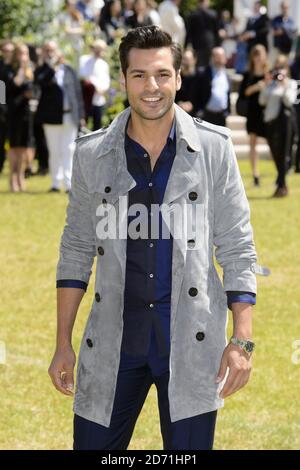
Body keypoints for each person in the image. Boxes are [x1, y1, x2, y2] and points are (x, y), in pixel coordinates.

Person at [49, 26, 259, 451]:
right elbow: (75, 250)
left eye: (163, 74)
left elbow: (237, 247)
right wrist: (62, 344)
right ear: (123, 79)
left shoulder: (214, 149)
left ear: (179, 78)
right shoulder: (92, 154)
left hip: (191, 341)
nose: (152, 87)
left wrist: (241, 341)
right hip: (113, 340)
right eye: (140, 75)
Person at [34, 41, 85, 193]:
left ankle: (69, 184)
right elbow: (41, 84)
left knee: (69, 149)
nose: (50, 53)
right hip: (51, 118)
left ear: (58, 51)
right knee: (54, 150)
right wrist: (51, 66)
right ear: (43, 53)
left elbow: (77, 93)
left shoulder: (68, 69)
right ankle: (56, 183)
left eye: (52, 50)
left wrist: (81, 115)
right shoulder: (41, 70)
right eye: (47, 50)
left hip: (70, 116)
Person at [259, 55, 298, 197]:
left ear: (286, 69)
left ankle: (281, 185)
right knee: (275, 153)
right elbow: (262, 101)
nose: (279, 71)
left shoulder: (291, 84)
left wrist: (284, 85)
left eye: (282, 67)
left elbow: (289, 101)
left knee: (283, 153)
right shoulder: (270, 84)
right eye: (277, 67)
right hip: (271, 122)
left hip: (285, 122)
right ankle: (281, 182)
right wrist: (267, 84)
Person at [5, 43, 36, 192]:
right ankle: (12, 177)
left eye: (25, 53)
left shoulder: (30, 70)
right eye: (21, 53)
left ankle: (20, 176)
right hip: (13, 112)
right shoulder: (9, 69)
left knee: (24, 147)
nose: (24, 56)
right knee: (14, 146)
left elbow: (32, 88)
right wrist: (21, 70)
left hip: (26, 112)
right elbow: (14, 84)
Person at [238, 44, 269, 187]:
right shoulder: (248, 75)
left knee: (273, 143)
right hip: (253, 111)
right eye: (255, 53)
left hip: (268, 112)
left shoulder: (269, 74)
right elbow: (244, 93)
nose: (257, 57)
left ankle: (281, 172)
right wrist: (257, 87)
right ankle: (255, 175)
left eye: (260, 53)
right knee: (253, 143)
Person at [79, 39, 110, 130]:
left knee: (97, 127)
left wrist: (102, 89)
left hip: (99, 99)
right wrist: (94, 86)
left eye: (101, 50)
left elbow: (106, 82)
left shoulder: (104, 64)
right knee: (83, 125)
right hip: (86, 99)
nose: (99, 52)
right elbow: (83, 75)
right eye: (97, 49)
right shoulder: (84, 59)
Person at [200, 47, 231, 127]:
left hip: (222, 116)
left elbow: (227, 94)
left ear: (225, 58)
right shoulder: (204, 73)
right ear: (212, 58)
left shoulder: (227, 75)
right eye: (216, 56)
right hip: (207, 115)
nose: (219, 59)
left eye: (221, 56)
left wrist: (228, 111)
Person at [185, 0, 220, 67]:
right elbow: (216, 31)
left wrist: (186, 46)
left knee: (198, 65)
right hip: (210, 43)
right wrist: (218, 45)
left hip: (197, 44)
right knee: (209, 65)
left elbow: (189, 32)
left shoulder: (193, 15)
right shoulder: (213, 14)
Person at [0, 41, 15, 174]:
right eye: (5, 50)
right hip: (3, 108)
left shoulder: (16, 66)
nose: (8, 53)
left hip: (16, 108)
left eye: (10, 50)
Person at [175, 48, 203, 117]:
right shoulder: (177, 77)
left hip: (195, 115)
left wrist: (192, 105)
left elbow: (203, 98)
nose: (184, 62)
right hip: (178, 113)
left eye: (187, 59)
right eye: (183, 59)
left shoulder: (200, 77)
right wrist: (179, 104)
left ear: (194, 60)